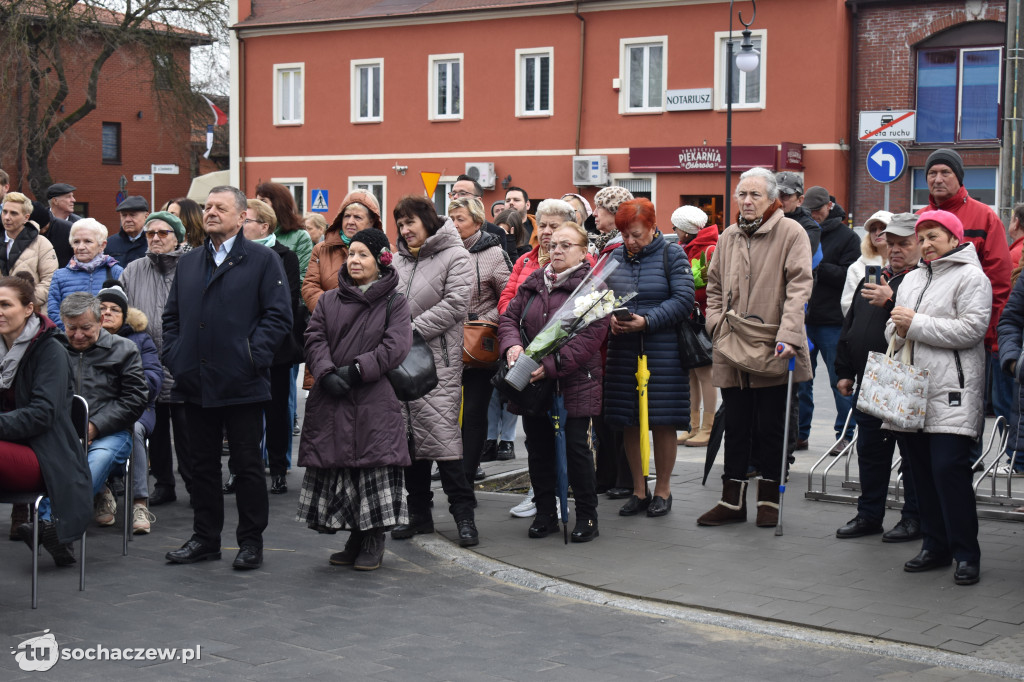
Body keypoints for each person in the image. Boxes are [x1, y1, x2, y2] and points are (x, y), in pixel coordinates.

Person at [162, 186, 292, 571]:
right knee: (200, 466)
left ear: (241, 217)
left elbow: (278, 316)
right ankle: (205, 538)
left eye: (220, 207)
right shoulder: (188, 263)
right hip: (195, 381)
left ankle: (251, 542)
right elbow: (172, 318)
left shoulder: (262, 260)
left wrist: (251, 356)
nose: (211, 212)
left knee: (247, 466)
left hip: (242, 382)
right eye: (207, 207)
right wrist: (176, 356)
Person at [698, 167, 813, 528]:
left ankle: (769, 501)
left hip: (774, 344)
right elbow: (714, 286)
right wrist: (715, 322)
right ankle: (731, 502)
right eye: (742, 195)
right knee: (736, 424)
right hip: (731, 342)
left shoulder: (791, 232)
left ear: (771, 199)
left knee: (772, 427)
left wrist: (790, 335)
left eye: (755, 196)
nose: (747, 202)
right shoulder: (729, 236)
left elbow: (799, 287)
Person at [297, 229, 412, 570]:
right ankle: (354, 536)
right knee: (344, 468)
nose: (355, 261)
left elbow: (396, 346)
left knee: (374, 465)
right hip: (333, 396)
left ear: (380, 260)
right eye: (351, 254)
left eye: (363, 254)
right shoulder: (330, 300)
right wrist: (326, 371)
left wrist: (356, 371)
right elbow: (314, 337)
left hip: (374, 397)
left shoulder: (395, 301)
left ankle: (374, 538)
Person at [886, 210, 989, 586]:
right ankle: (934, 545)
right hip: (912, 387)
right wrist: (898, 325)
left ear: (953, 236)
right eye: (923, 238)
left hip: (952, 388)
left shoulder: (971, 276)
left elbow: (972, 330)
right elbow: (896, 323)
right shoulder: (912, 278)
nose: (927, 245)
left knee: (949, 471)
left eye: (934, 236)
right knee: (921, 472)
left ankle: (966, 553)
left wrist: (915, 324)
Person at [499, 222, 607, 541]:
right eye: (553, 245)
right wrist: (512, 347)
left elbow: (589, 338)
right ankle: (545, 512)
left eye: (565, 245)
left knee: (576, 449)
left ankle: (587, 516)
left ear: (583, 251)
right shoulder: (535, 281)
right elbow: (508, 318)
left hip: (574, 381)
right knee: (539, 448)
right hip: (533, 382)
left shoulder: (593, 288)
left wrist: (548, 365)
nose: (556, 250)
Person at [389, 195, 479, 547]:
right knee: (411, 445)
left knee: (444, 443)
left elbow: (457, 303)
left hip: (437, 363)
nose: (405, 229)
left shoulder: (455, 255)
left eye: (410, 222)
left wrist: (409, 332)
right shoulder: (397, 260)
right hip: (400, 363)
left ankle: (464, 518)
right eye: (400, 224)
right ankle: (419, 515)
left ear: (427, 221)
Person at [834, 213, 922, 542]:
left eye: (904, 243)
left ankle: (913, 518)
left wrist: (890, 301)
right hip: (869, 377)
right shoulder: (872, 277)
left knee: (911, 457)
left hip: (904, 378)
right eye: (891, 243)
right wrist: (843, 370)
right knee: (871, 452)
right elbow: (851, 326)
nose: (896, 249)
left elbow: (914, 324)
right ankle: (869, 515)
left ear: (920, 245)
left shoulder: (920, 282)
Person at [605, 198, 694, 518]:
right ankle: (638, 490)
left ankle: (663, 490)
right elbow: (600, 298)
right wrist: (610, 319)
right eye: (625, 235)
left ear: (654, 228)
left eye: (636, 234)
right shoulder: (615, 256)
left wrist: (648, 321)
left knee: (662, 420)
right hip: (624, 350)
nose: (629, 242)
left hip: (663, 351)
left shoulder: (673, 254)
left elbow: (684, 299)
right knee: (629, 420)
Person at [918, 149, 1011, 436]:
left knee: (966, 406)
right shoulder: (920, 218)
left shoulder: (984, 217)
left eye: (945, 172)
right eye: (932, 173)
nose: (938, 178)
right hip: (925, 331)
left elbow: (999, 279)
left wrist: (991, 334)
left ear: (959, 177)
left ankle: (968, 460)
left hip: (970, 334)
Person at [0, 273, 91, 565]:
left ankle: (53, 530)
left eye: (5, 305)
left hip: (47, 455)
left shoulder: (50, 350)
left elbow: (43, 414)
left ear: (29, 308)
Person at [228, 198, 303, 495]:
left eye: (246, 220)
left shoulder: (285, 256)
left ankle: (278, 470)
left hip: (275, 348)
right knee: (239, 415)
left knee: (276, 414)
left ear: (264, 226)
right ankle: (239, 469)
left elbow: (287, 299)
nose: (241, 224)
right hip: (238, 347)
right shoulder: (233, 253)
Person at [58, 292, 148, 530]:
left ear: (100, 321)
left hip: (111, 433)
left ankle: (55, 522)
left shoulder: (124, 349)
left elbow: (136, 399)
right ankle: (55, 526)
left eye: (86, 327)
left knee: (96, 460)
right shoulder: (54, 349)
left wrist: (95, 426)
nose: (78, 335)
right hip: (62, 432)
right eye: (71, 328)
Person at [119, 211, 191, 507]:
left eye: (163, 233)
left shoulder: (193, 266)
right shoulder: (133, 269)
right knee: (157, 430)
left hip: (184, 362)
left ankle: (195, 483)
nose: (156, 238)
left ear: (178, 236)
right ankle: (163, 483)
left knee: (190, 433)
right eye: (151, 234)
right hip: (146, 364)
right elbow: (120, 313)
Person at [448, 196, 511, 483]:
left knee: (473, 413)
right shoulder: (441, 251)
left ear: (477, 221)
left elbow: (508, 300)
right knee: (445, 413)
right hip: (446, 343)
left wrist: (486, 323)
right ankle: (449, 468)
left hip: (479, 347)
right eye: (451, 219)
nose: (454, 224)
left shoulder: (494, 253)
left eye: (460, 219)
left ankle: (467, 474)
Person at [797, 186, 860, 455]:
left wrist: (818, 266)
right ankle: (799, 434)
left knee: (840, 382)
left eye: (818, 210)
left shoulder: (848, 238)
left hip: (834, 321)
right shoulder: (801, 231)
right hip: (804, 319)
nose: (814, 215)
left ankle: (844, 435)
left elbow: (851, 277)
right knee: (801, 381)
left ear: (830, 206)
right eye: (809, 211)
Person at [96, 281, 162, 534]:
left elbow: (153, 378)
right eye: (102, 308)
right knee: (78, 428)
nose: (108, 313)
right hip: (98, 410)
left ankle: (139, 503)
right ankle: (101, 493)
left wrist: (123, 391)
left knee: (132, 430)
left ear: (124, 316)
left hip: (136, 408)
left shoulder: (140, 340)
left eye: (115, 309)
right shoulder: (86, 339)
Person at [589, 185, 634, 503]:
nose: (594, 214)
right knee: (602, 416)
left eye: (600, 210)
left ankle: (624, 477)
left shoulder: (621, 249)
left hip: (618, 341)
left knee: (618, 415)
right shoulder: (604, 247)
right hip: (602, 343)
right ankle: (605, 475)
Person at [670, 205, 717, 448]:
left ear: (687, 230)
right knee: (691, 373)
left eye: (676, 227)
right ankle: (693, 425)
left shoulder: (709, 250)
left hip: (702, 319)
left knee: (705, 374)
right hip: (687, 319)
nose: (674, 231)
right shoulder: (685, 248)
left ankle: (708, 428)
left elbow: (712, 287)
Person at [303, 190, 382, 314]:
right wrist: (335, 311)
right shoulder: (321, 249)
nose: (350, 221)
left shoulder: (385, 251)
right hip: (328, 323)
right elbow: (310, 287)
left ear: (371, 221)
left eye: (357, 217)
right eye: (347, 216)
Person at [47, 218, 124, 330]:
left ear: (102, 245)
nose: (81, 247)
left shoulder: (116, 272)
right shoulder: (59, 276)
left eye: (88, 241)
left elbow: (124, 310)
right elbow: (53, 312)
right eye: (76, 242)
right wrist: (73, 334)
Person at [1, 191, 58, 307]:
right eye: (4, 212)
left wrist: (24, 302)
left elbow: (50, 281)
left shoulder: (41, 244)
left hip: (30, 313)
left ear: (26, 217)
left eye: (13, 213)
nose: (7, 217)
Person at [451, 175, 516, 264]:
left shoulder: (496, 233)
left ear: (478, 200)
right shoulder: (443, 231)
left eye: (462, 193)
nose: (455, 197)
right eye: (453, 193)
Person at [256, 181, 314, 279]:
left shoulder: (300, 236)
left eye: (263, 201)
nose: (258, 206)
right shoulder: (250, 233)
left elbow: (301, 277)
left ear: (278, 204)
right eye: (257, 202)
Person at [841, 211, 892, 316]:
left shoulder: (905, 265)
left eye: (883, 228)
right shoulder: (857, 267)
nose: (877, 233)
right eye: (873, 230)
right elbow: (847, 306)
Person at [105, 196, 150, 268]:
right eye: (124, 215)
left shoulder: (153, 242)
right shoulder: (109, 244)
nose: (127, 219)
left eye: (132, 215)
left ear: (146, 217)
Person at [30, 200, 73, 268]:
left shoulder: (68, 229)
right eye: (39, 231)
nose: (43, 231)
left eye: (45, 228)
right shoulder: (25, 232)